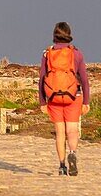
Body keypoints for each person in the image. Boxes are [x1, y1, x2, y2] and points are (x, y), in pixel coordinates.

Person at [38, 21, 90, 176]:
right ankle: (72, 153)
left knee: (60, 133)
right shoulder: (76, 54)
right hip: (74, 96)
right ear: (69, 34)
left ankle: (62, 166)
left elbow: (42, 79)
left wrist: (42, 101)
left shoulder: (47, 54)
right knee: (72, 130)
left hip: (53, 97)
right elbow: (84, 79)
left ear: (54, 34)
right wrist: (86, 101)